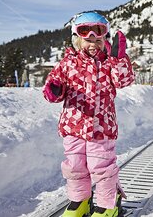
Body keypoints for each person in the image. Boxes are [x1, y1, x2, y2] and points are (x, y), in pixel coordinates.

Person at [43, 11, 135, 217]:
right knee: (75, 167)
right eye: (87, 38)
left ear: (105, 40)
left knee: (101, 167)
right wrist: (54, 89)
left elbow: (124, 80)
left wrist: (119, 60)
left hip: (102, 127)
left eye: (98, 38)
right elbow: (52, 89)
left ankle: (107, 205)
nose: (93, 43)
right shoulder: (67, 64)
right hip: (73, 126)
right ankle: (80, 201)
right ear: (76, 40)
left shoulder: (109, 63)